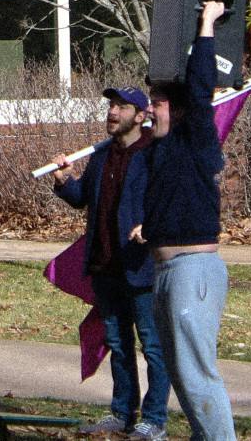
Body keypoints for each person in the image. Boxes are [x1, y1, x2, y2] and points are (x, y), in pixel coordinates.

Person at [141, 1, 235, 441]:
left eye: (155, 104)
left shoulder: (194, 136)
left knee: (197, 374)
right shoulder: (158, 148)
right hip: (165, 270)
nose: (147, 112)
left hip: (193, 270)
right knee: (180, 374)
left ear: (176, 111)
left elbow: (199, 90)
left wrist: (206, 26)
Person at [50, 88, 166, 440]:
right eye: (111, 106)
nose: (112, 112)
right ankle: (122, 412)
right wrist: (64, 182)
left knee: (152, 346)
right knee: (117, 344)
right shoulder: (103, 154)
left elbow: (166, 201)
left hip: (140, 267)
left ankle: (154, 419)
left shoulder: (153, 153)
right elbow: (82, 198)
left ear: (140, 114)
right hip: (104, 265)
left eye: (121, 107)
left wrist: (152, 226)